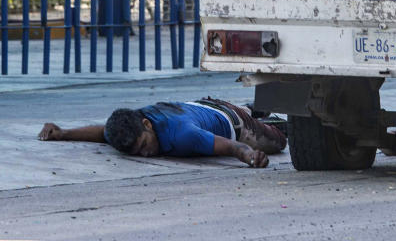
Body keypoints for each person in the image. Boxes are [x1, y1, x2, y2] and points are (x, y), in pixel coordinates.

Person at [38, 97, 286, 168]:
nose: (145, 155)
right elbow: (102, 132)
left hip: (234, 124)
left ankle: (269, 118)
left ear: (147, 125)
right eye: (137, 152)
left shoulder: (183, 136)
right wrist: (62, 133)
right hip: (201, 106)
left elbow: (232, 147)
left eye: (144, 145)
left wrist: (252, 156)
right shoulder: (130, 125)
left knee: (280, 140)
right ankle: (253, 107)